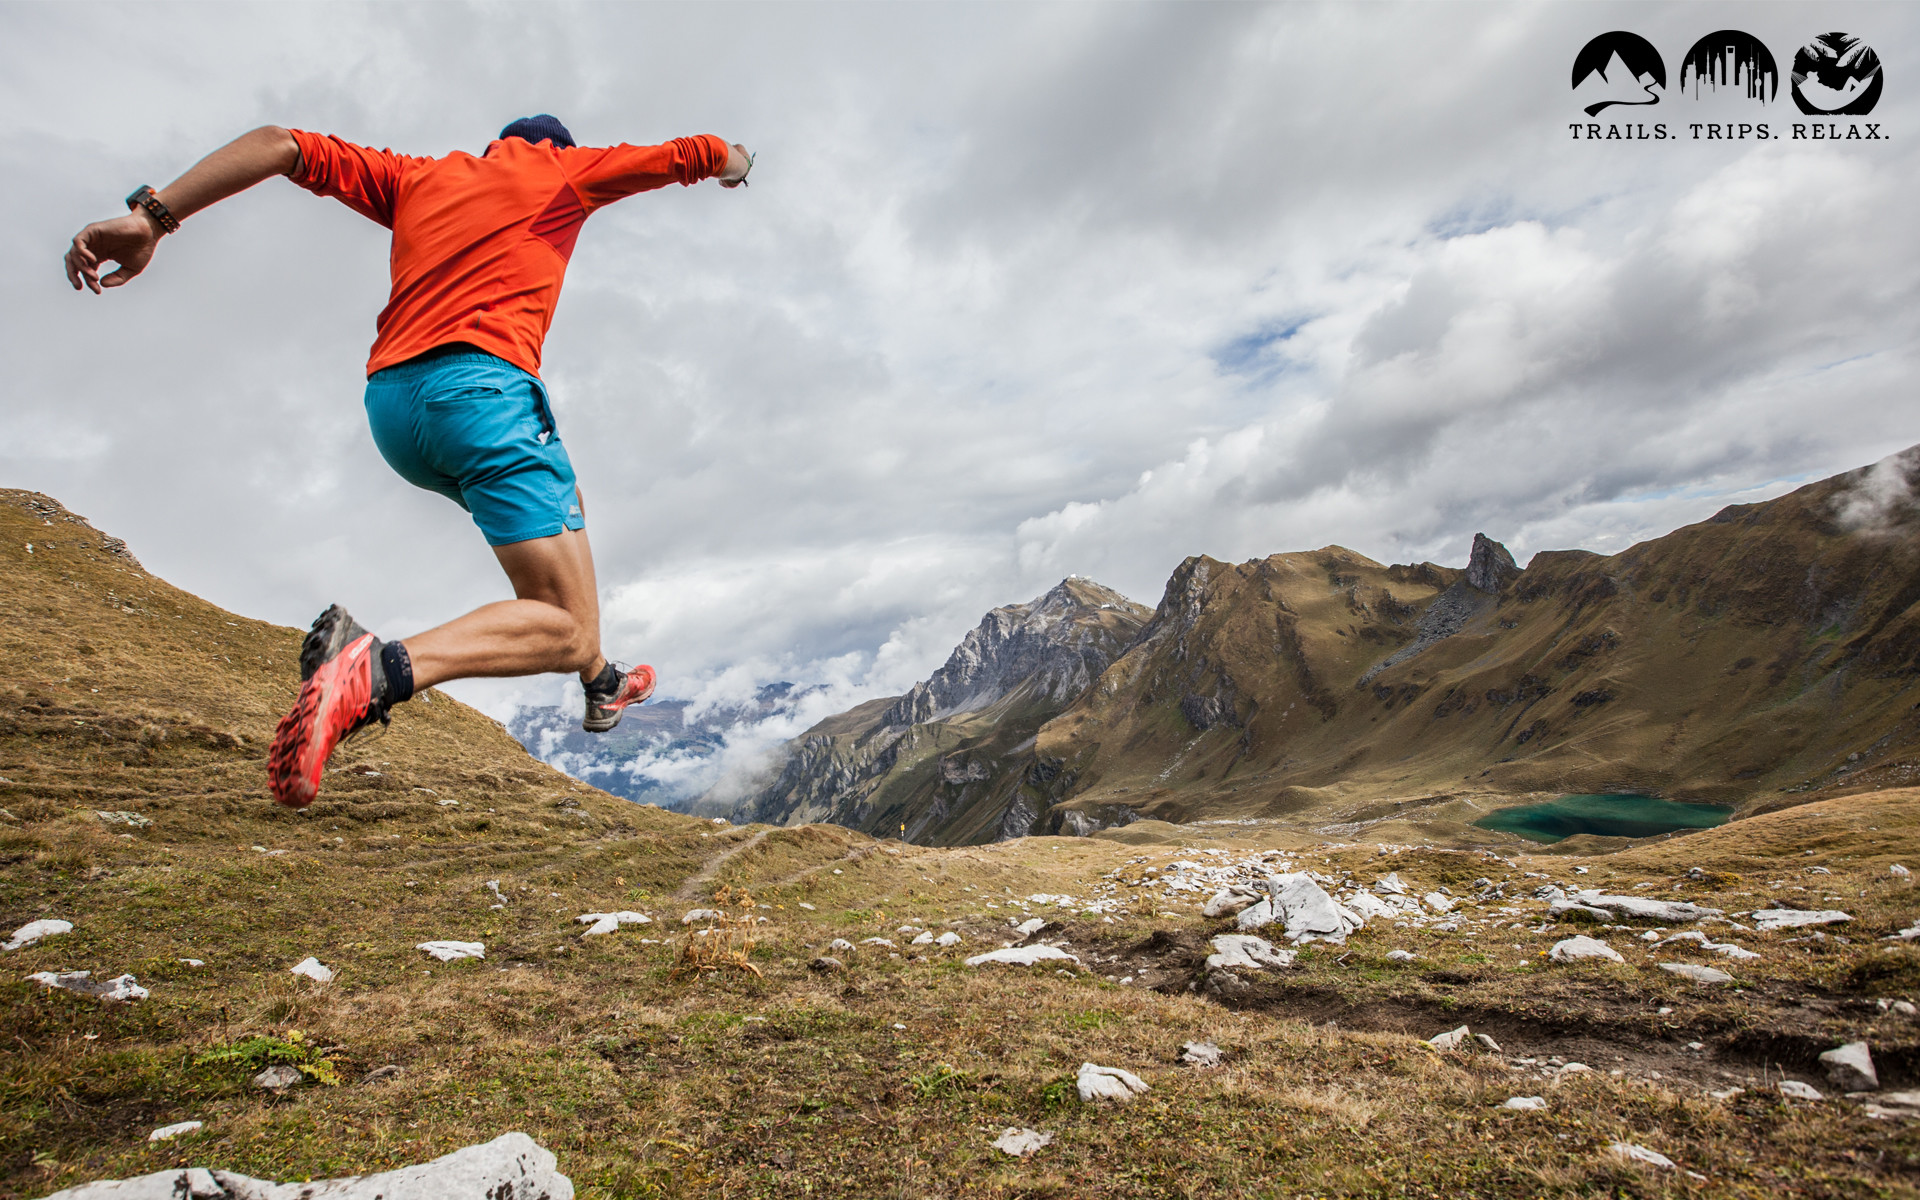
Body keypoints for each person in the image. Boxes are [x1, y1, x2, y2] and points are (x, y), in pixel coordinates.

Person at [64, 115, 753, 808]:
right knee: (566, 627)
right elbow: (699, 153)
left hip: (394, 412)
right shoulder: (560, 170)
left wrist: (153, 217)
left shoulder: (416, 177)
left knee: (561, 550)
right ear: (554, 147)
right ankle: (375, 673)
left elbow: (282, 144)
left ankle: (605, 682)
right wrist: (741, 164)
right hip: (483, 394)